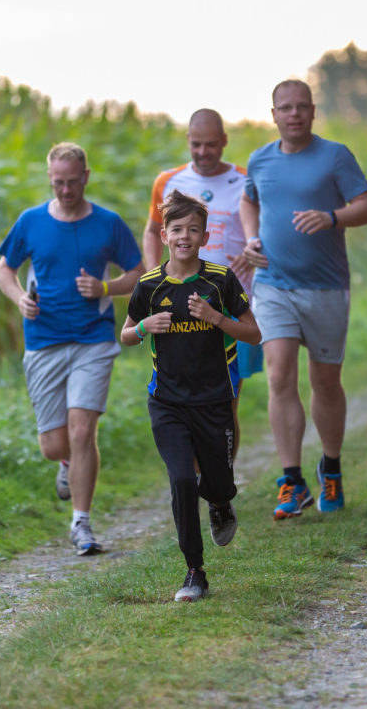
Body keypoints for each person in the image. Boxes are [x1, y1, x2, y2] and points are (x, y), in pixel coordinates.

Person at [240, 79, 367, 520]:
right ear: (274, 114)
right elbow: (249, 202)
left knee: (324, 382)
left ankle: (331, 468)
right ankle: (291, 480)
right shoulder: (259, 160)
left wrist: (332, 217)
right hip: (273, 284)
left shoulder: (334, 156)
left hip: (325, 287)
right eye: (286, 108)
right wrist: (251, 238)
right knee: (279, 375)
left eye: (302, 107)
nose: (294, 114)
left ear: (313, 111)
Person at [0, 142, 145, 555]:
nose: (65, 190)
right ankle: (65, 464)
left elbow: (137, 272)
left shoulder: (108, 224)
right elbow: (4, 268)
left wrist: (105, 288)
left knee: (83, 430)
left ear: (86, 177)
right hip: (43, 340)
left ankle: (81, 524)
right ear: (50, 179)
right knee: (55, 446)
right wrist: (17, 299)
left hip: (93, 339)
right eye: (58, 183)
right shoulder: (31, 222)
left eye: (72, 182)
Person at [121, 190, 261, 602]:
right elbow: (126, 335)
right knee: (182, 479)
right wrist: (146, 326)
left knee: (217, 481)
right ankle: (194, 572)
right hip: (167, 402)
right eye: (177, 229)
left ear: (205, 235)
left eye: (193, 230)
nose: (185, 236)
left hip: (215, 400)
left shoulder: (220, 280)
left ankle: (220, 502)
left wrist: (217, 318)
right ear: (164, 235)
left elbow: (253, 332)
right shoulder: (149, 284)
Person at [143, 109, 263, 462]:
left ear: (224, 141)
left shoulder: (245, 181)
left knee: (225, 405)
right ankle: (196, 477)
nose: (203, 152)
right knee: (184, 401)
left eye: (211, 145)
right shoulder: (168, 181)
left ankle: (219, 482)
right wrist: (155, 280)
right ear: (188, 142)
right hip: (179, 309)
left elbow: (265, 233)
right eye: (196, 144)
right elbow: (153, 231)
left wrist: (253, 251)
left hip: (233, 307)